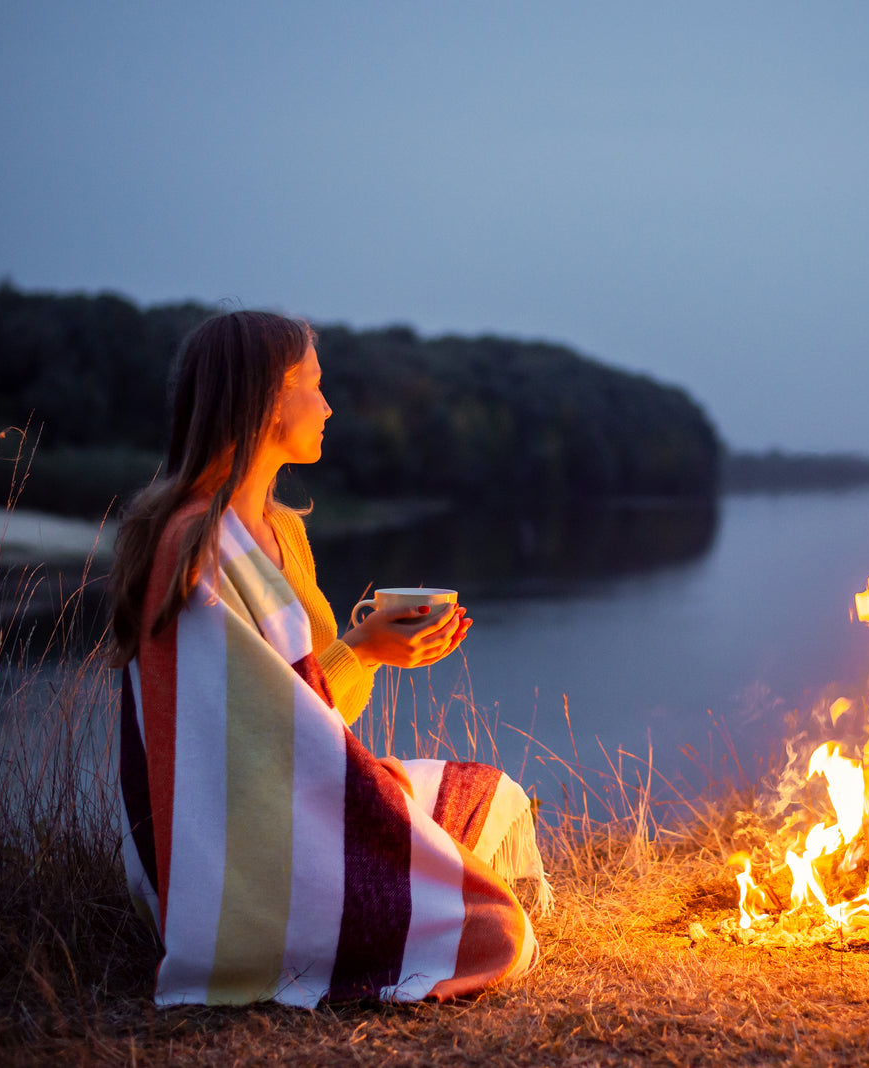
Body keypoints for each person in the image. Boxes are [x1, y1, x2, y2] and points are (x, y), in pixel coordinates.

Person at [109, 310, 546, 1007]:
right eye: (312, 383)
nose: (328, 404)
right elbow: (237, 745)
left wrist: (373, 654)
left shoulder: (283, 529)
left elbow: (311, 716)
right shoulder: (190, 547)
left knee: (491, 793)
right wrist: (362, 647)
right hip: (235, 848)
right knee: (491, 929)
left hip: (298, 800)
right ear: (262, 402)